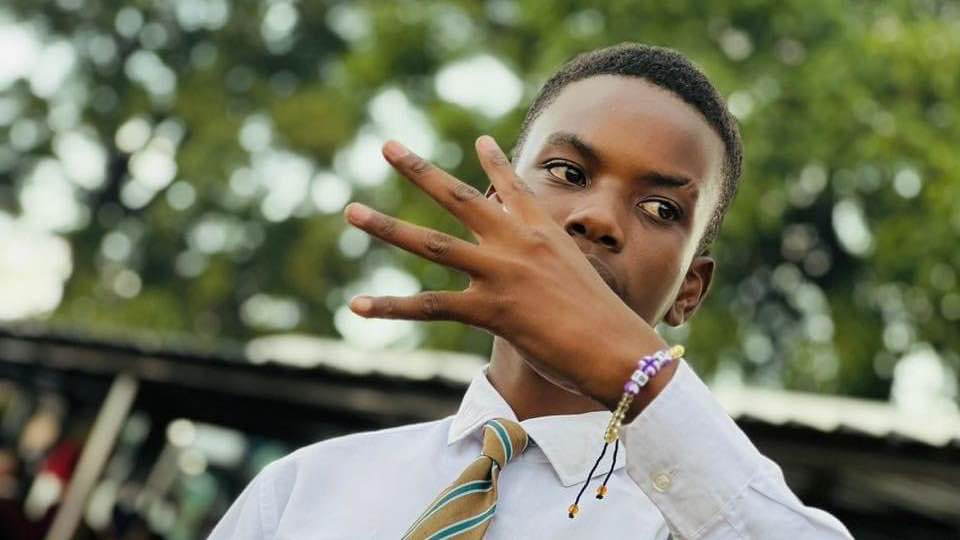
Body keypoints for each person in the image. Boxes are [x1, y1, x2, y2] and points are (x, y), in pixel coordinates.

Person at [208, 43, 853, 539]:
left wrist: (641, 375)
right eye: (567, 172)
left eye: (661, 209)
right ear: (492, 207)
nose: (597, 218)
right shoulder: (303, 492)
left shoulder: (695, 521)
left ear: (689, 290)